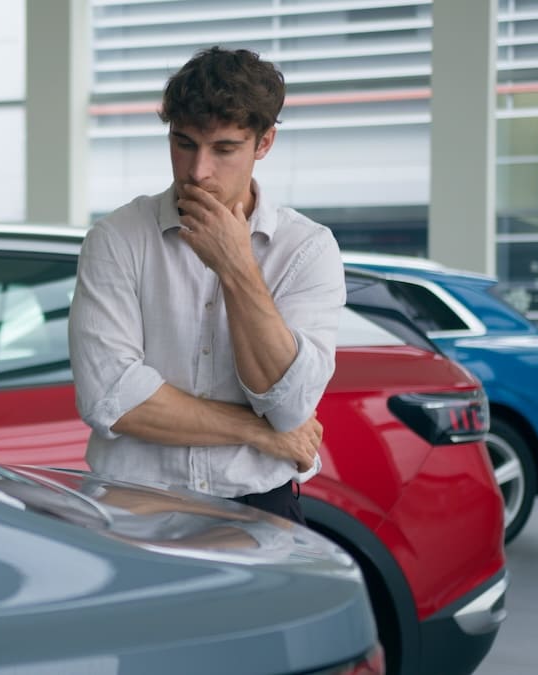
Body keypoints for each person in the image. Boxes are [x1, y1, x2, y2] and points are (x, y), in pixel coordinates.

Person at [68, 46, 346, 524]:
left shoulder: (308, 249)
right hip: (132, 508)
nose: (197, 171)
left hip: (260, 511)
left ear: (264, 144)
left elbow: (290, 406)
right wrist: (259, 433)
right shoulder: (116, 238)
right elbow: (110, 398)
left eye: (224, 149)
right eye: (184, 143)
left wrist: (237, 267)